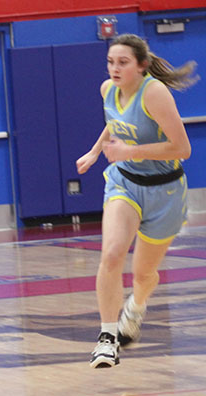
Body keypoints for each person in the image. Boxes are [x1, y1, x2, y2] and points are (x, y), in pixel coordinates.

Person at [76, 34, 198, 369]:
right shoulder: (107, 90)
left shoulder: (155, 93)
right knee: (112, 254)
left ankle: (136, 308)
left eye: (123, 62)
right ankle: (106, 338)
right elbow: (114, 123)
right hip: (125, 183)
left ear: (141, 66)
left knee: (144, 275)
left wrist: (129, 151)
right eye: (111, 62)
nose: (115, 68)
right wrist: (95, 151)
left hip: (165, 190)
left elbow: (182, 149)